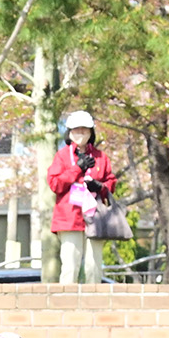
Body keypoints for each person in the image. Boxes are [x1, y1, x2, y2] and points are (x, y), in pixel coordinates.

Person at [47, 111, 120, 285]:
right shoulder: (62, 156)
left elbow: (111, 182)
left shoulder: (101, 157)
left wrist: (101, 187)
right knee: (70, 265)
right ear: (69, 133)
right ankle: (66, 307)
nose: (80, 134)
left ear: (91, 133)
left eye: (84, 130)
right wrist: (76, 169)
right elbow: (54, 184)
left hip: (95, 216)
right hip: (69, 217)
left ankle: (94, 306)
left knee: (93, 265)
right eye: (76, 130)